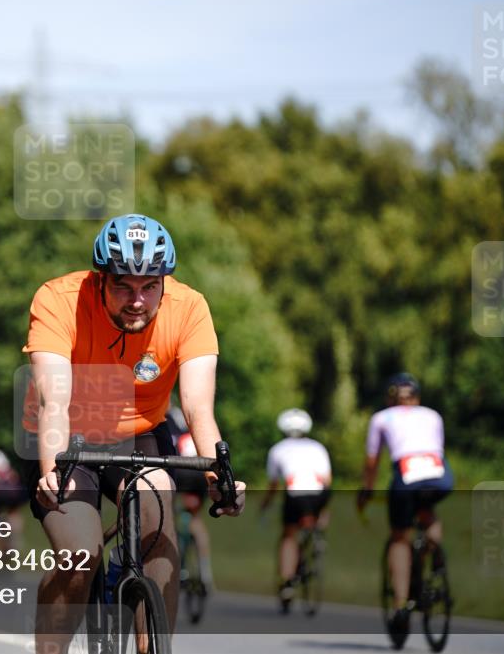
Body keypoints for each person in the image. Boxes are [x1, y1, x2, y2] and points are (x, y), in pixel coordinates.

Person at [22, 213, 245, 654]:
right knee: (79, 555)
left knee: (157, 524)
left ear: (165, 282)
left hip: (140, 432)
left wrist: (218, 475)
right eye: (123, 286)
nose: (137, 301)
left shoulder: (189, 308)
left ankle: (151, 646)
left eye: (150, 287)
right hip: (65, 435)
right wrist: (51, 471)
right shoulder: (59, 300)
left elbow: (198, 407)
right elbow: (54, 402)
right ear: (100, 279)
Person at [356, 373, 453, 639]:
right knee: (427, 511)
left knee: (399, 538)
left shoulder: (381, 418)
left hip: (406, 476)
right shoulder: (433, 415)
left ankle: (400, 603)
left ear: (390, 398)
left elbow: (372, 461)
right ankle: (434, 552)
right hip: (440, 476)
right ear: (417, 397)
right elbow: (437, 448)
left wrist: (366, 491)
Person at [259, 408, 332, 611]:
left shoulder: (277, 450)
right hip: (318, 493)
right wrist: (324, 508)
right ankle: (317, 535)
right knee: (316, 516)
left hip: (295, 493)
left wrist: (265, 504)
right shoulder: (318, 447)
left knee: (289, 536)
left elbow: (274, 485)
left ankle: (287, 581)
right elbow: (327, 480)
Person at [165, 405, 213, 593]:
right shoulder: (184, 413)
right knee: (195, 519)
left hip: (180, 469)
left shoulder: (162, 416)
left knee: (166, 514)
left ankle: (175, 565)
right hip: (200, 469)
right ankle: (205, 572)